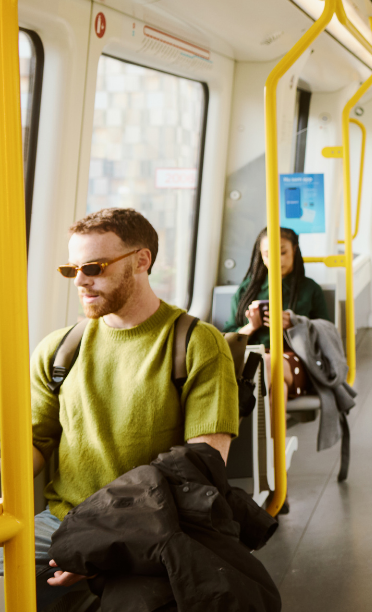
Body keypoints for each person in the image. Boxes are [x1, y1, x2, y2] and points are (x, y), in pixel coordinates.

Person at [23, 208, 240, 609]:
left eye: (93, 266)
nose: (82, 280)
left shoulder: (195, 344)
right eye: (72, 270)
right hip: (65, 517)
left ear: (141, 261)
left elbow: (202, 466)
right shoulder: (58, 351)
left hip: (157, 522)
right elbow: (35, 444)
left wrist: (101, 542)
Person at [225, 227, 332, 387]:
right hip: (253, 355)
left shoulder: (310, 289)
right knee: (277, 383)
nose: (276, 260)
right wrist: (251, 327)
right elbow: (227, 338)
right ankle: (278, 413)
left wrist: (295, 324)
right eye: (268, 254)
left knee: (267, 364)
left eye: (282, 253)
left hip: (296, 357)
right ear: (261, 256)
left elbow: (327, 334)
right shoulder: (246, 290)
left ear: (294, 250)